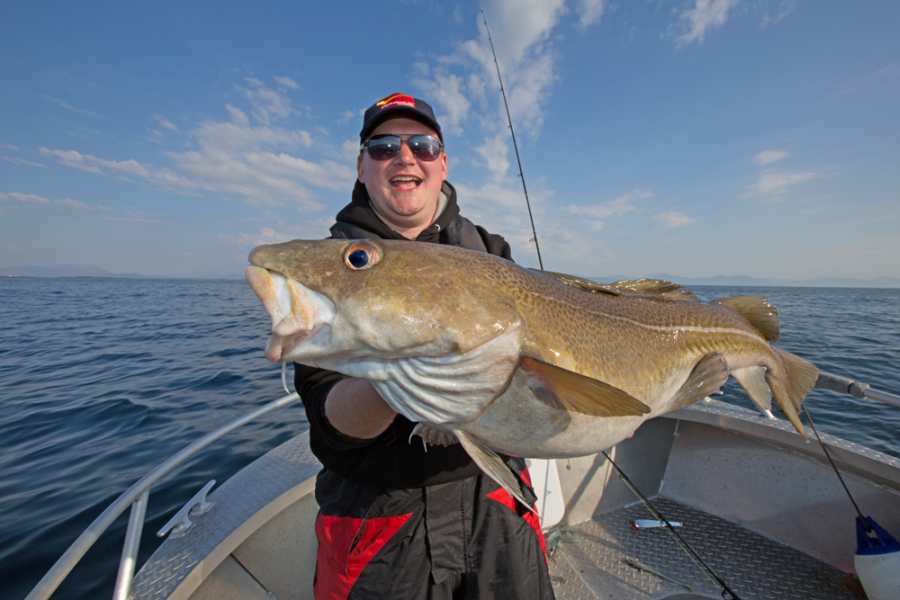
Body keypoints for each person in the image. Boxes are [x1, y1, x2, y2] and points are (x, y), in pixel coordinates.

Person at [295, 92, 556, 600]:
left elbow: (540, 361)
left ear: (442, 163)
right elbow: (330, 423)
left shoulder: (492, 252)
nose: (404, 156)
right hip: (380, 513)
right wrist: (400, 367)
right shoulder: (328, 268)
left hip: (494, 492)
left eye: (422, 144)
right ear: (361, 166)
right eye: (383, 146)